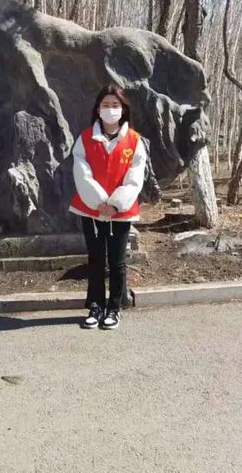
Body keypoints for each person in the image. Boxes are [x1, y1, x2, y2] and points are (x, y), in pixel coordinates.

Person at [70, 84, 147, 330]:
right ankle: (95, 306)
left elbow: (135, 177)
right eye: (106, 104)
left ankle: (114, 308)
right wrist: (99, 202)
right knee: (95, 259)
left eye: (115, 105)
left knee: (117, 261)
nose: (110, 109)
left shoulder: (134, 141)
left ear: (123, 109)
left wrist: (114, 205)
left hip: (120, 212)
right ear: (98, 109)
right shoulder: (84, 138)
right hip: (91, 209)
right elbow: (82, 172)